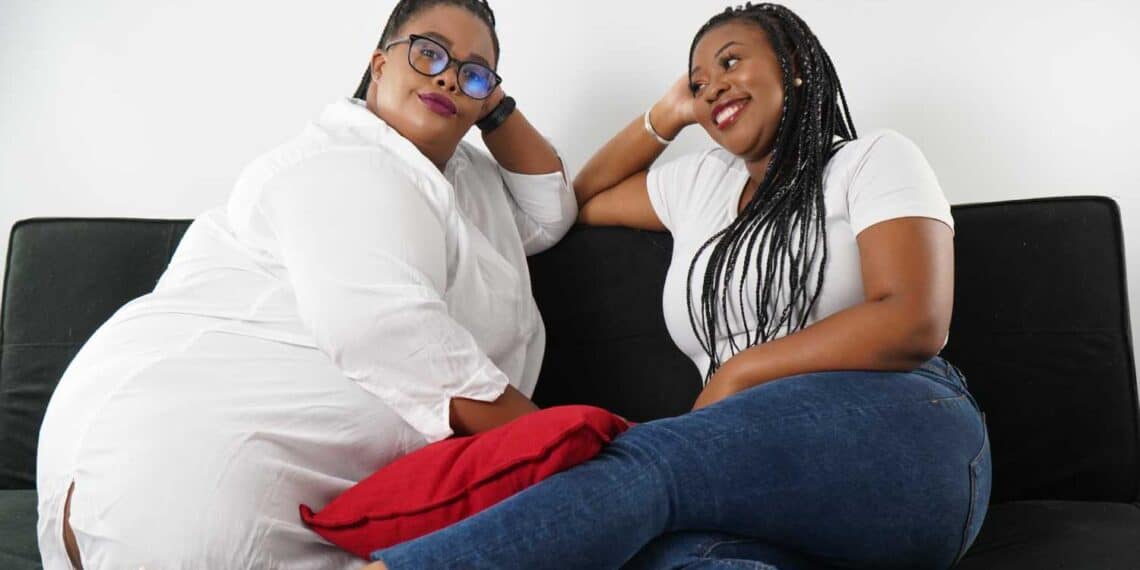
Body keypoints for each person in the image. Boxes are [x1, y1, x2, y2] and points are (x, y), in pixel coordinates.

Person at [365, 3, 990, 569]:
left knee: (645, 468)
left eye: (731, 62)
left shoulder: (869, 160)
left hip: (908, 437)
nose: (712, 85)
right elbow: (578, 202)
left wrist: (739, 373)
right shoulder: (703, 185)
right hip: (765, 485)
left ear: (794, 65)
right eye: (698, 81)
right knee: (673, 557)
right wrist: (667, 115)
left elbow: (913, 319)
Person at [35, 0, 575, 567]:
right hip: (171, 454)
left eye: (472, 73)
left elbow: (550, 212)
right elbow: (387, 334)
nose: (447, 77)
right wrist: (571, 447)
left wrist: (494, 107)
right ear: (379, 64)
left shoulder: (466, 180)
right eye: (429, 52)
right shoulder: (347, 162)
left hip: (240, 487)